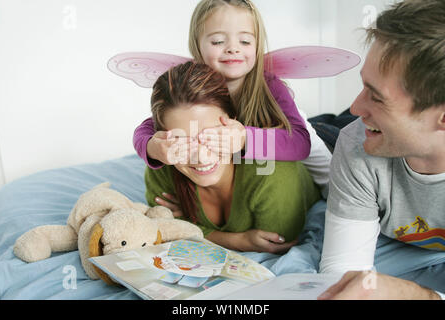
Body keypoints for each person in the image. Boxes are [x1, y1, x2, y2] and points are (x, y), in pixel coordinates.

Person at [134, 0, 333, 203]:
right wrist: (151, 147)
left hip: (289, 129)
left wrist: (245, 139)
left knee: (334, 184)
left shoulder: (270, 86)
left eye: (245, 41)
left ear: (257, 45)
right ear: (197, 45)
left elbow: (300, 143)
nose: (233, 49)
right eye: (218, 41)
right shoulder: (191, 83)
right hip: (240, 158)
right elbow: (150, 125)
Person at [318, 0, 445, 300]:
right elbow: (343, 278)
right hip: (396, 247)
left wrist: (417, 295)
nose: (356, 107)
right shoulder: (356, 143)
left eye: (376, 97)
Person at [144, 61, 320, 253]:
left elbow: (277, 244)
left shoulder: (271, 172)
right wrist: (236, 241)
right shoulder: (162, 162)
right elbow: (162, 227)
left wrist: (188, 227)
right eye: (181, 141)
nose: (201, 157)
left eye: (211, 135)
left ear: (234, 121)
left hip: (327, 137)